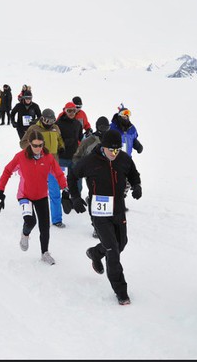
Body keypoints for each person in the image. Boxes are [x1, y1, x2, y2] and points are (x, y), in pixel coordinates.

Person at [67, 129, 142, 305]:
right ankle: (121, 291)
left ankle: (95, 252)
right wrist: (75, 197)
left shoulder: (123, 159)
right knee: (113, 251)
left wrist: (137, 185)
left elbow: (133, 173)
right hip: (100, 212)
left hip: (118, 210)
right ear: (103, 147)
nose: (114, 154)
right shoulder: (90, 161)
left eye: (117, 150)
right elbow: (72, 175)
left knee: (121, 243)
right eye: (111, 150)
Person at [0, 130, 68, 266]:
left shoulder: (48, 157)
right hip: (25, 195)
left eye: (40, 145)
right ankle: (25, 234)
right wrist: (0, 189)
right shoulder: (20, 156)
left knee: (45, 226)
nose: (38, 149)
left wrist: (65, 188)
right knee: (30, 221)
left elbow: (58, 173)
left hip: (41, 195)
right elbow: (7, 171)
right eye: (35, 145)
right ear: (29, 144)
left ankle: (45, 253)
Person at [20, 109, 66, 227]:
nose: (49, 123)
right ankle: (31, 214)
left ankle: (57, 219)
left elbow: (59, 138)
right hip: (37, 165)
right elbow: (23, 143)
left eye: (52, 120)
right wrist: (32, 149)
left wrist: (61, 146)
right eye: (47, 120)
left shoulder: (55, 128)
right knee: (35, 192)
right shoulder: (34, 129)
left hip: (53, 164)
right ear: (42, 119)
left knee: (55, 192)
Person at [73, 116, 110, 238]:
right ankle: (96, 226)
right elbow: (77, 157)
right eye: (101, 127)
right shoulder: (88, 141)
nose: (104, 130)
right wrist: (82, 167)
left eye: (106, 127)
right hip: (92, 175)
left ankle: (106, 223)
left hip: (107, 174)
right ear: (97, 127)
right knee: (96, 198)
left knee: (107, 199)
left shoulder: (110, 140)